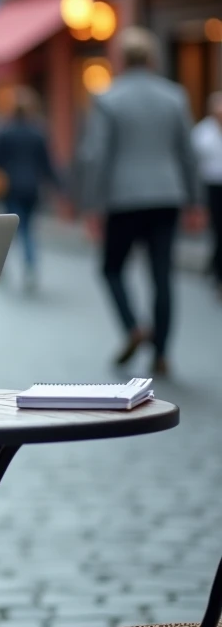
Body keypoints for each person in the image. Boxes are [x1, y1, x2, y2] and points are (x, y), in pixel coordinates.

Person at [76, 27, 204, 376]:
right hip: (167, 195)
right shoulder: (174, 96)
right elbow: (188, 154)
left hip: (123, 198)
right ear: (151, 58)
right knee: (162, 276)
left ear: (120, 59)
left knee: (111, 268)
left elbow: (96, 156)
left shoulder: (107, 98)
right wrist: (196, 200)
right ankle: (162, 352)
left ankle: (133, 326)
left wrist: (91, 206)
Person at [0, 87, 58, 291]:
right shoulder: (37, 133)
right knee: (28, 229)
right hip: (31, 187)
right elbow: (47, 164)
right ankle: (30, 267)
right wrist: (58, 186)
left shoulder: (5, 132)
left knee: (9, 230)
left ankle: (1, 267)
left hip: (11, 186)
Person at [192, 91, 222, 298]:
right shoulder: (202, 132)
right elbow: (194, 164)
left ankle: (214, 265)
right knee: (219, 230)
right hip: (211, 186)